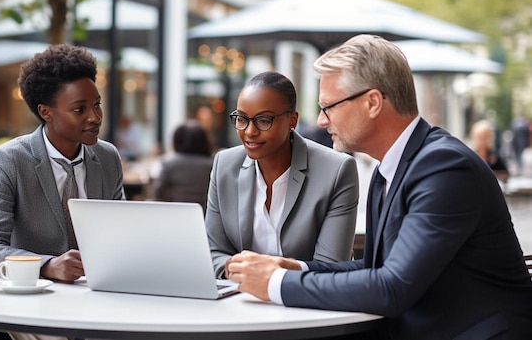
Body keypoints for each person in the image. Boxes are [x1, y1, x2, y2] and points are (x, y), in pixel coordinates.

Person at [226, 35, 532, 340]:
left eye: (328, 106)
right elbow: (378, 269)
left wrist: (274, 282)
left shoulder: (445, 168)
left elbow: (391, 287)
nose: (320, 120)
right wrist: (297, 269)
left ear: (372, 102)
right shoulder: (390, 168)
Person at [0, 44, 126, 340]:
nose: (95, 117)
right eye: (79, 109)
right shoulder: (8, 161)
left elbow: (119, 234)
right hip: (18, 302)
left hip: (86, 300)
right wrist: (49, 265)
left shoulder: (107, 157)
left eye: (97, 104)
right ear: (45, 112)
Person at [205, 71, 359, 279]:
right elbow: (213, 252)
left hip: (306, 305)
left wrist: (266, 277)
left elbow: (330, 267)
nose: (250, 131)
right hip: (239, 301)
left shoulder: (336, 170)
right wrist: (247, 275)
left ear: (292, 121)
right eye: (242, 119)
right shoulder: (225, 164)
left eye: (264, 120)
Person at [153, 119, 214, 213]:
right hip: (204, 216)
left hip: (175, 214)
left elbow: (158, 192)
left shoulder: (168, 163)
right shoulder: (212, 165)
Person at [470, 119, 509, 184]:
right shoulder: (471, 157)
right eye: (479, 137)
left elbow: (505, 176)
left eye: (484, 137)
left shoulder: (495, 158)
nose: (482, 141)